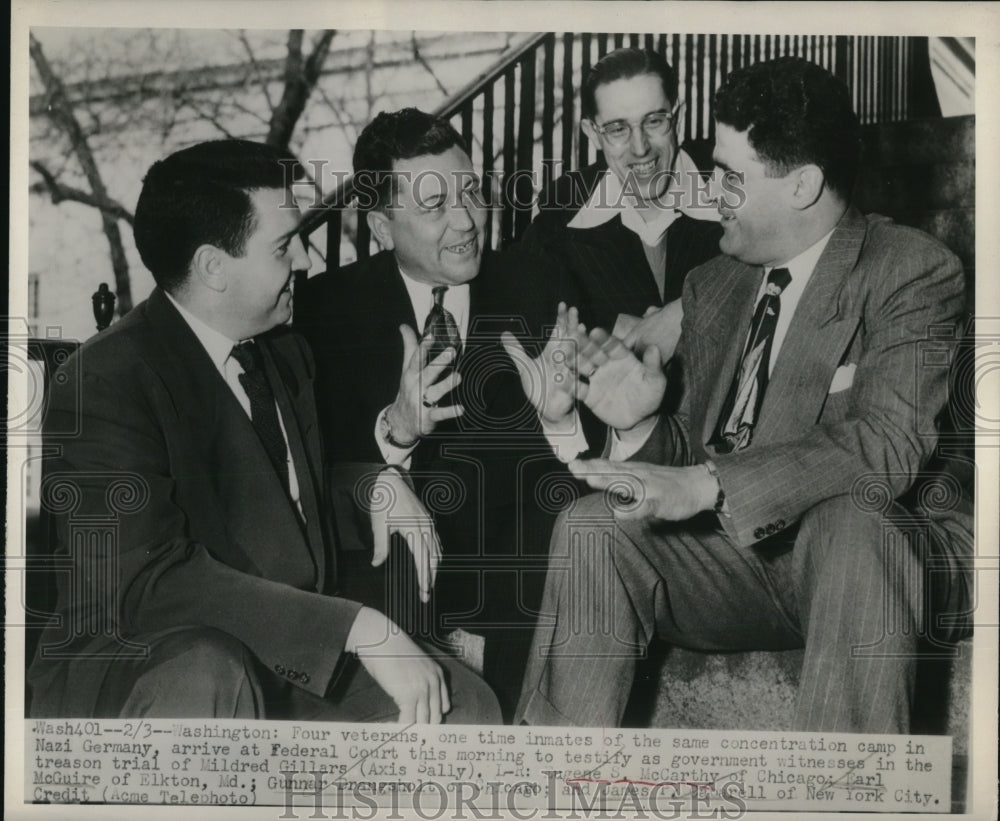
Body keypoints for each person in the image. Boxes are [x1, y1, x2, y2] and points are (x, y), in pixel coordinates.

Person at [508, 57, 972, 733]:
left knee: (853, 519)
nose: (709, 189)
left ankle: (848, 800)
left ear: (803, 185)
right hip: (745, 563)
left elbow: (888, 444)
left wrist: (706, 481)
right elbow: (695, 448)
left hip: (876, 561)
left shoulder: (908, 270)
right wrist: (637, 427)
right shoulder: (714, 285)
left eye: (730, 174)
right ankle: (555, 785)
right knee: (591, 525)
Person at [27, 138, 500, 724]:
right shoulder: (106, 380)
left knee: (462, 706)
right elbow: (148, 584)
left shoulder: (283, 353)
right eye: (284, 246)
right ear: (213, 268)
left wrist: (375, 483)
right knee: (209, 672)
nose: (304, 259)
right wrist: (356, 626)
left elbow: (279, 499)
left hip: (278, 657)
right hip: (155, 664)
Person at [295, 110, 565, 718]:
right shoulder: (324, 311)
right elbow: (317, 470)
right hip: (396, 568)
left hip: (510, 550)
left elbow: (550, 460)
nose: (467, 220)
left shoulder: (536, 283)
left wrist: (562, 414)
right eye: (435, 204)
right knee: (392, 531)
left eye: (471, 191)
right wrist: (396, 434)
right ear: (383, 225)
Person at [519, 47, 723, 364]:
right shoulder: (562, 211)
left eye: (654, 121)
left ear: (677, 117)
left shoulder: (732, 181)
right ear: (593, 134)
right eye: (617, 129)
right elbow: (527, 311)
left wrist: (685, 310)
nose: (640, 147)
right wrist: (608, 324)